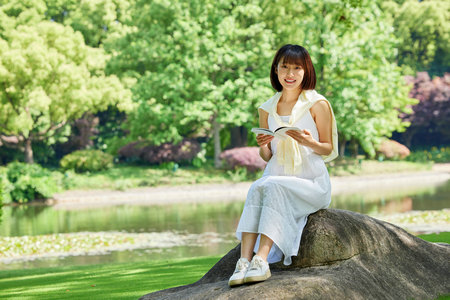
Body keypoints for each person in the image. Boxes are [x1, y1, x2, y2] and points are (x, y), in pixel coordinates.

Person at [228, 44, 338, 287]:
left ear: (306, 70)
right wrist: (264, 144)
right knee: (257, 186)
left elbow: (328, 148)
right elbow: (267, 156)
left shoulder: (318, 103)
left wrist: (310, 142)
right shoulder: (267, 108)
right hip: (275, 174)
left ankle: (261, 261)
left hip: (310, 182)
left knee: (272, 186)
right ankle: (243, 263)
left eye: (297, 68)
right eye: (284, 67)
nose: (290, 73)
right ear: (275, 70)